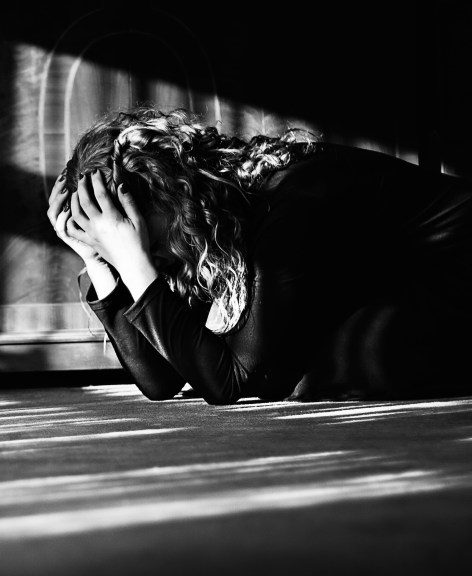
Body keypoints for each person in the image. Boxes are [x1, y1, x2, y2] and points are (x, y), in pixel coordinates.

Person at [46, 107, 472, 404]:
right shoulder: (209, 223)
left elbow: (228, 381)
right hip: (397, 283)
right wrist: (99, 262)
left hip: (455, 273)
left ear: (174, 195)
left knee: (314, 367)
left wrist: (134, 261)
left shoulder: (290, 208)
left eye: (147, 245)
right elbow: (163, 379)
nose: (147, 260)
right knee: (288, 362)